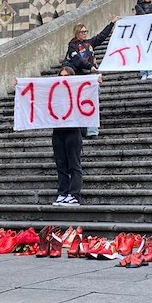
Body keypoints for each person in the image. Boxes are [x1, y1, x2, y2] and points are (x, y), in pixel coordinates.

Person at [64, 16, 120, 137]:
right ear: (76, 33)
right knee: (80, 105)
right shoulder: (72, 46)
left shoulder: (89, 44)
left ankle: (92, 131)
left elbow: (101, 37)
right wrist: (90, 66)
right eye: (82, 32)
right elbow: (78, 60)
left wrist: (111, 23)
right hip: (79, 79)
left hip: (90, 78)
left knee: (92, 103)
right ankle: (82, 129)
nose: (84, 34)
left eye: (86, 31)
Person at [51, 66, 84, 206]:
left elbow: (89, 92)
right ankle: (63, 192)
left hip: (72, 130)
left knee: (74, 164)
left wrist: (96, 81)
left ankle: (74, 194)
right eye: (61, 75)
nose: (63, 78)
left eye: (66, 76)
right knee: (61, 164)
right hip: (58, 131)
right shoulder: (54, 93)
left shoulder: (77, 91)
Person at [134, 0, 152, 80]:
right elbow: (144, 16)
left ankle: (151, 71)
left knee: (150, 52)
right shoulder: (138, 6)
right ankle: (144, 72)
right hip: (142, 33)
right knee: (142, 52)